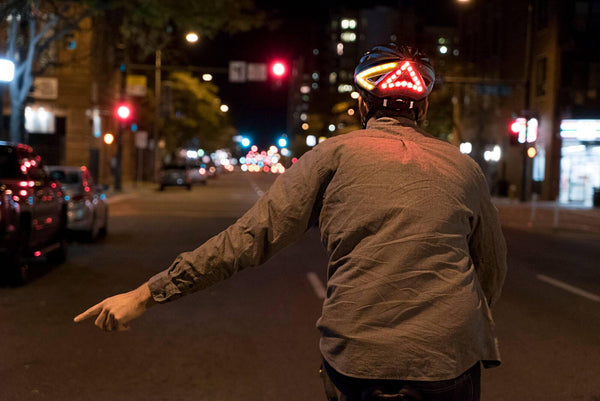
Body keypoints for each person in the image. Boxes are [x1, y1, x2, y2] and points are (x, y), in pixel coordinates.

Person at [74, 44, 507, 401]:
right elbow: (491, 268)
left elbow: (248, 238)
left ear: (361, 104)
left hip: (360, 361)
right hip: (450, 361)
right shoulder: (464, 167)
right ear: (424, 107)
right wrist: (454, 324)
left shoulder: (332, 156)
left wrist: (147, 294)